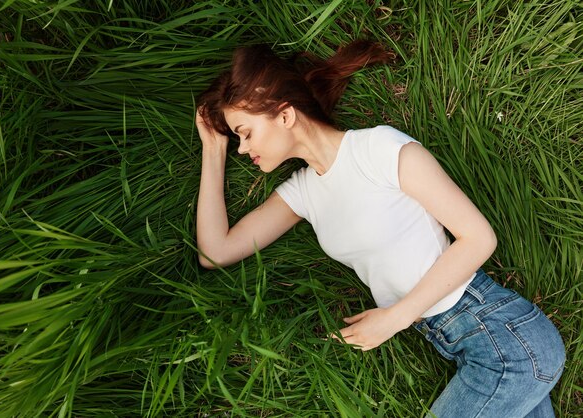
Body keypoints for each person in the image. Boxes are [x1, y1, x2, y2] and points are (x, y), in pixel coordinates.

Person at [194, 40, 566, 417]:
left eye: (245, 132)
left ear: (285, 116)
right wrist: (213, 150)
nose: (241, 148)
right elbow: (216, 252)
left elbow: (478, 237)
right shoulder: (303, 192)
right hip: (469, 346)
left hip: (502, 338)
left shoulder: (377, 149)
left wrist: (394, 318)